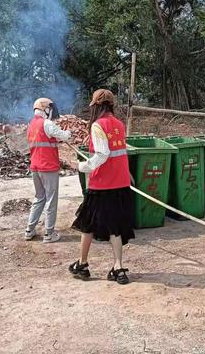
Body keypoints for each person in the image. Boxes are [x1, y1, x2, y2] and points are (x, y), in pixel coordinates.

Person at [69, 89, 134, 285]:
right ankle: (118, 268)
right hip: (120, 182)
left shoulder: (98, 126)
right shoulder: (119, 124)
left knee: (87, 224)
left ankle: (82, 264)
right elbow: (119, 153)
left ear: (96, 106)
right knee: (115, 226)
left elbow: (102, 154)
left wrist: (81, 166)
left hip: (102, 184)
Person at [25, 97, 71, 243]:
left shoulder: (31, 125)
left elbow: (46, 139)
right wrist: (68, 133)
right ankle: (49, 234)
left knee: (39, 198)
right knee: (51, 200)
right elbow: (63, 135)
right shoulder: (47, 123)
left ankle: (29, 230)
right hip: (48, 167)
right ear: (46, 109)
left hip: (35, 167)